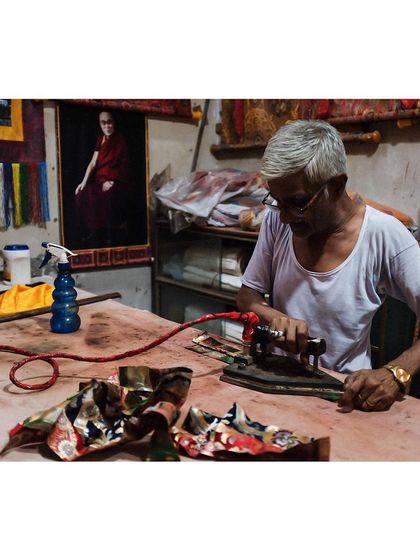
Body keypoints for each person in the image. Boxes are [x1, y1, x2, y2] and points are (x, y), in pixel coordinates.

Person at [237, 120, 420, 412]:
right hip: (275, 383)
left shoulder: (384, 236)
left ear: (335, 185)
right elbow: (247, 299)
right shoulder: (277, 221)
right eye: (277, 202)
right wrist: (274, 318)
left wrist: (395, 373)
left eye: (296, 203)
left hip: (344, 397)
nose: (284, 217)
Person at [75, 111, 132, 247]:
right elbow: (93, 163)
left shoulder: (120, 140)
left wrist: (112, 180)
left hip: (117, 181)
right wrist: (83, 182)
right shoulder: (100, 140)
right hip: (100, 180)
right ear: (100, 124)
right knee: (82, 194)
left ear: (113, 122)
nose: (107, 126)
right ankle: (93, 231)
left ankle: (110, 233)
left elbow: (125, 164)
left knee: (107, 196)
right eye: (103, 123)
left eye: (109, 122)